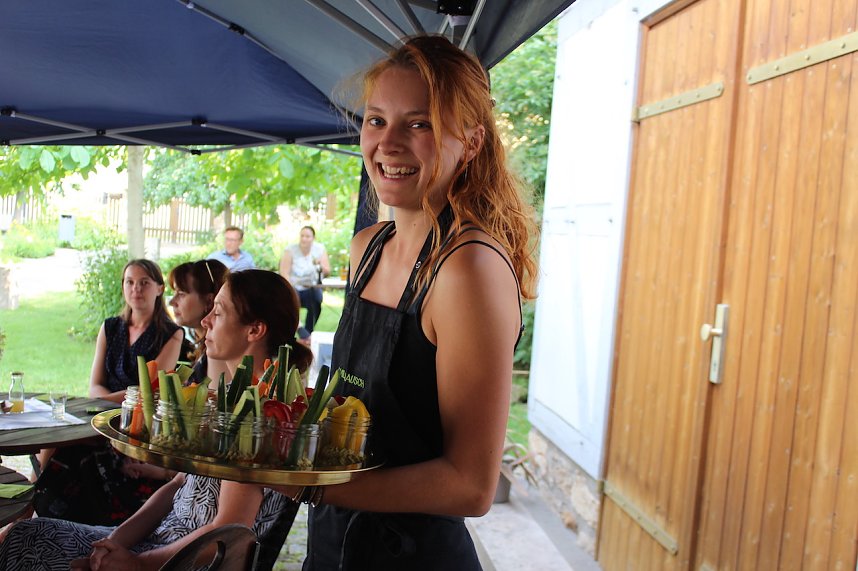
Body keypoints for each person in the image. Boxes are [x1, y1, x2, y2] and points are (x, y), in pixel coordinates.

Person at [280, 35, 538, 569]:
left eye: (418, 124)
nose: (388, 143)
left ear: (469, 142)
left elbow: (471, 486)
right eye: (376, 120)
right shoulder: (367, 246)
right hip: (335, 544)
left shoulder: (468, 269)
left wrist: (313, 488)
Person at [0, 270, 313, 570]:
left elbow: (229, 532)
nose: (205, 321)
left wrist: (136, 565)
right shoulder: (231, 397)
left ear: (255, 330)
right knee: (20, 535)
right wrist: (112, 543)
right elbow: (177, 484)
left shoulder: (263, 414)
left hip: (184, 561)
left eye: (217, 313)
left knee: (23, 541)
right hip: (159, 542)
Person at [33, 259, 187, 525]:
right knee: (55, 435)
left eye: (144, 283)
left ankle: (44, 508)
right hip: (100, 409)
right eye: (130, 282)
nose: (136, 289)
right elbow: (95, 382)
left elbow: (149, 391)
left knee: (69, 441)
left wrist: (100, 401)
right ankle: (37, 501)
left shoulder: (172, 334)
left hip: (137, 421)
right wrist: (99, 402)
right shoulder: (110, 327)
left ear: (159, 289)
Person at [167, 258, 229, 385]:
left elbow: (214, 400)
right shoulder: (203, 345)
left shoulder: (219, 349)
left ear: (209, 300)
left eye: (181, 294)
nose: (172, 302)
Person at [279, 225, 330, 334]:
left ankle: (308, 331)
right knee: (292, 297)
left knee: (317, 297)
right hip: (294, 285)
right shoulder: (290, 250)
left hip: (311, 287)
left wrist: (319, 265)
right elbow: (284, 273)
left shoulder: (320, 249)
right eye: (302, 236)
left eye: (307, 236)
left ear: (313, 238)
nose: (304, 239)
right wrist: (290, 288)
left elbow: (327, 271)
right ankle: (298, 327)